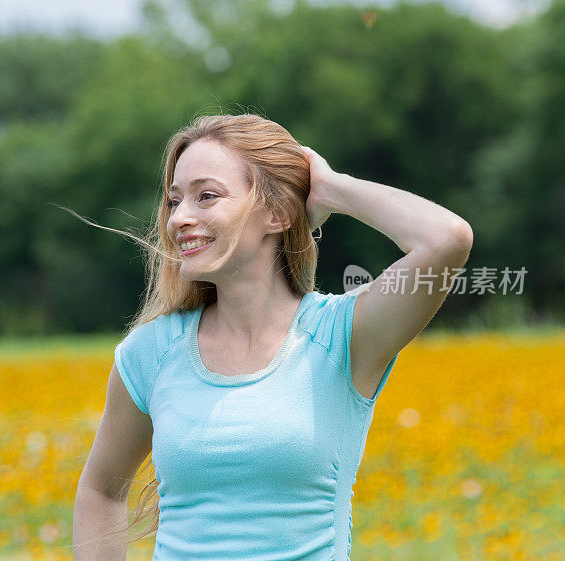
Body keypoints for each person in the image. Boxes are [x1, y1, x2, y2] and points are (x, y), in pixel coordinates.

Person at [72, 112, 473, 561]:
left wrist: (331, 188)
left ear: (279, 213)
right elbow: (100, 491)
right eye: (174, 201)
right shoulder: (150, 352)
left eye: (206, 196)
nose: (180, 218)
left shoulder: (343, 336)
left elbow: (446, 239)